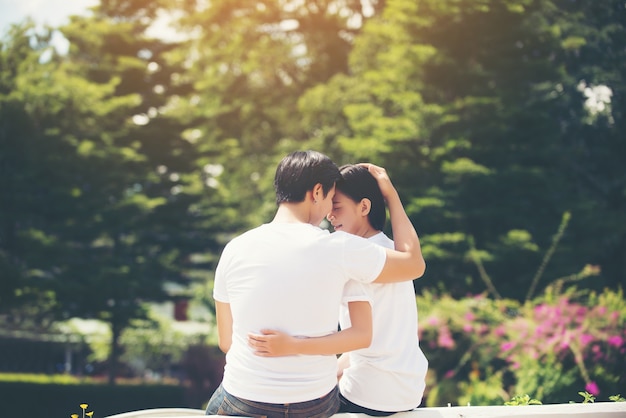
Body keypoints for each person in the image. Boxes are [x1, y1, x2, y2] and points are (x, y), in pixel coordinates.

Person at [206, 150, 425, 418]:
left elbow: (227, 341)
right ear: (317, 192)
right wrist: (390, 195)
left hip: (246, 397)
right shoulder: (342, 249)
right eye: (331, 199)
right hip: (315, 404)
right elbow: (412, 265)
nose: (329, 215)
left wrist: (283, 351)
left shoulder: (235, 248)